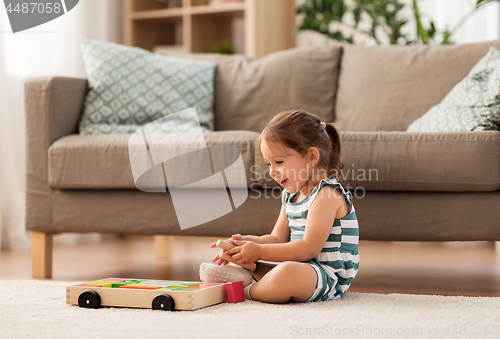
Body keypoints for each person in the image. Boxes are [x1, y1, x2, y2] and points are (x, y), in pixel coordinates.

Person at [199, 110, 359, 303]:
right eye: (268, 164)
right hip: (300, 266)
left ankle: (246, 289)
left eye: (279, 162)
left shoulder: (326, 194)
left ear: (312, 156)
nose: (272, 172)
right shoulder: (291, 195)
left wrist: (258, 252)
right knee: (264, 261)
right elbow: (276, 238)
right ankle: (248, 276)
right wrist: (246, 244)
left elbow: (308, 249)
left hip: (327, 276)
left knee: (287, 273)